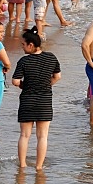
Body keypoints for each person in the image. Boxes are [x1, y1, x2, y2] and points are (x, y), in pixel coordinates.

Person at [12, 26, 61, 170]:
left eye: (23, 44)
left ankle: (22, 165)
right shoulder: (51, 57)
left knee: (25, 135)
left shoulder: (24, 61)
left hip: (27, 100)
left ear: (31, 45)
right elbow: (57, 76)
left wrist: (25, 86)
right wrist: (46, 84)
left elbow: (15, 81)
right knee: (42, 136)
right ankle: (39, 166)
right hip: (45, 101)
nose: (22, 47)